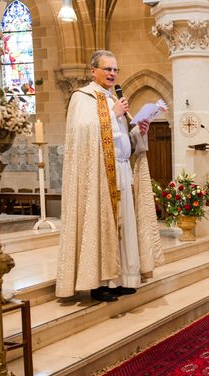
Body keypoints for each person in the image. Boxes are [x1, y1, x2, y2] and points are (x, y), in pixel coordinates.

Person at [56, 50, 163, 303]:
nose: (112, 74)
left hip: (122, 167)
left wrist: (139, 131)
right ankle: (99, 283)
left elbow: (123, 140)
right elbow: (82, 132)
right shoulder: (83, 97)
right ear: (93, 70)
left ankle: (122, 278)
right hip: (100, 173)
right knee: (102, 224)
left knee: (124, 222)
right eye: (107, 69)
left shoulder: (112, 97)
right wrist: (112, 114)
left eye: (115, 69)